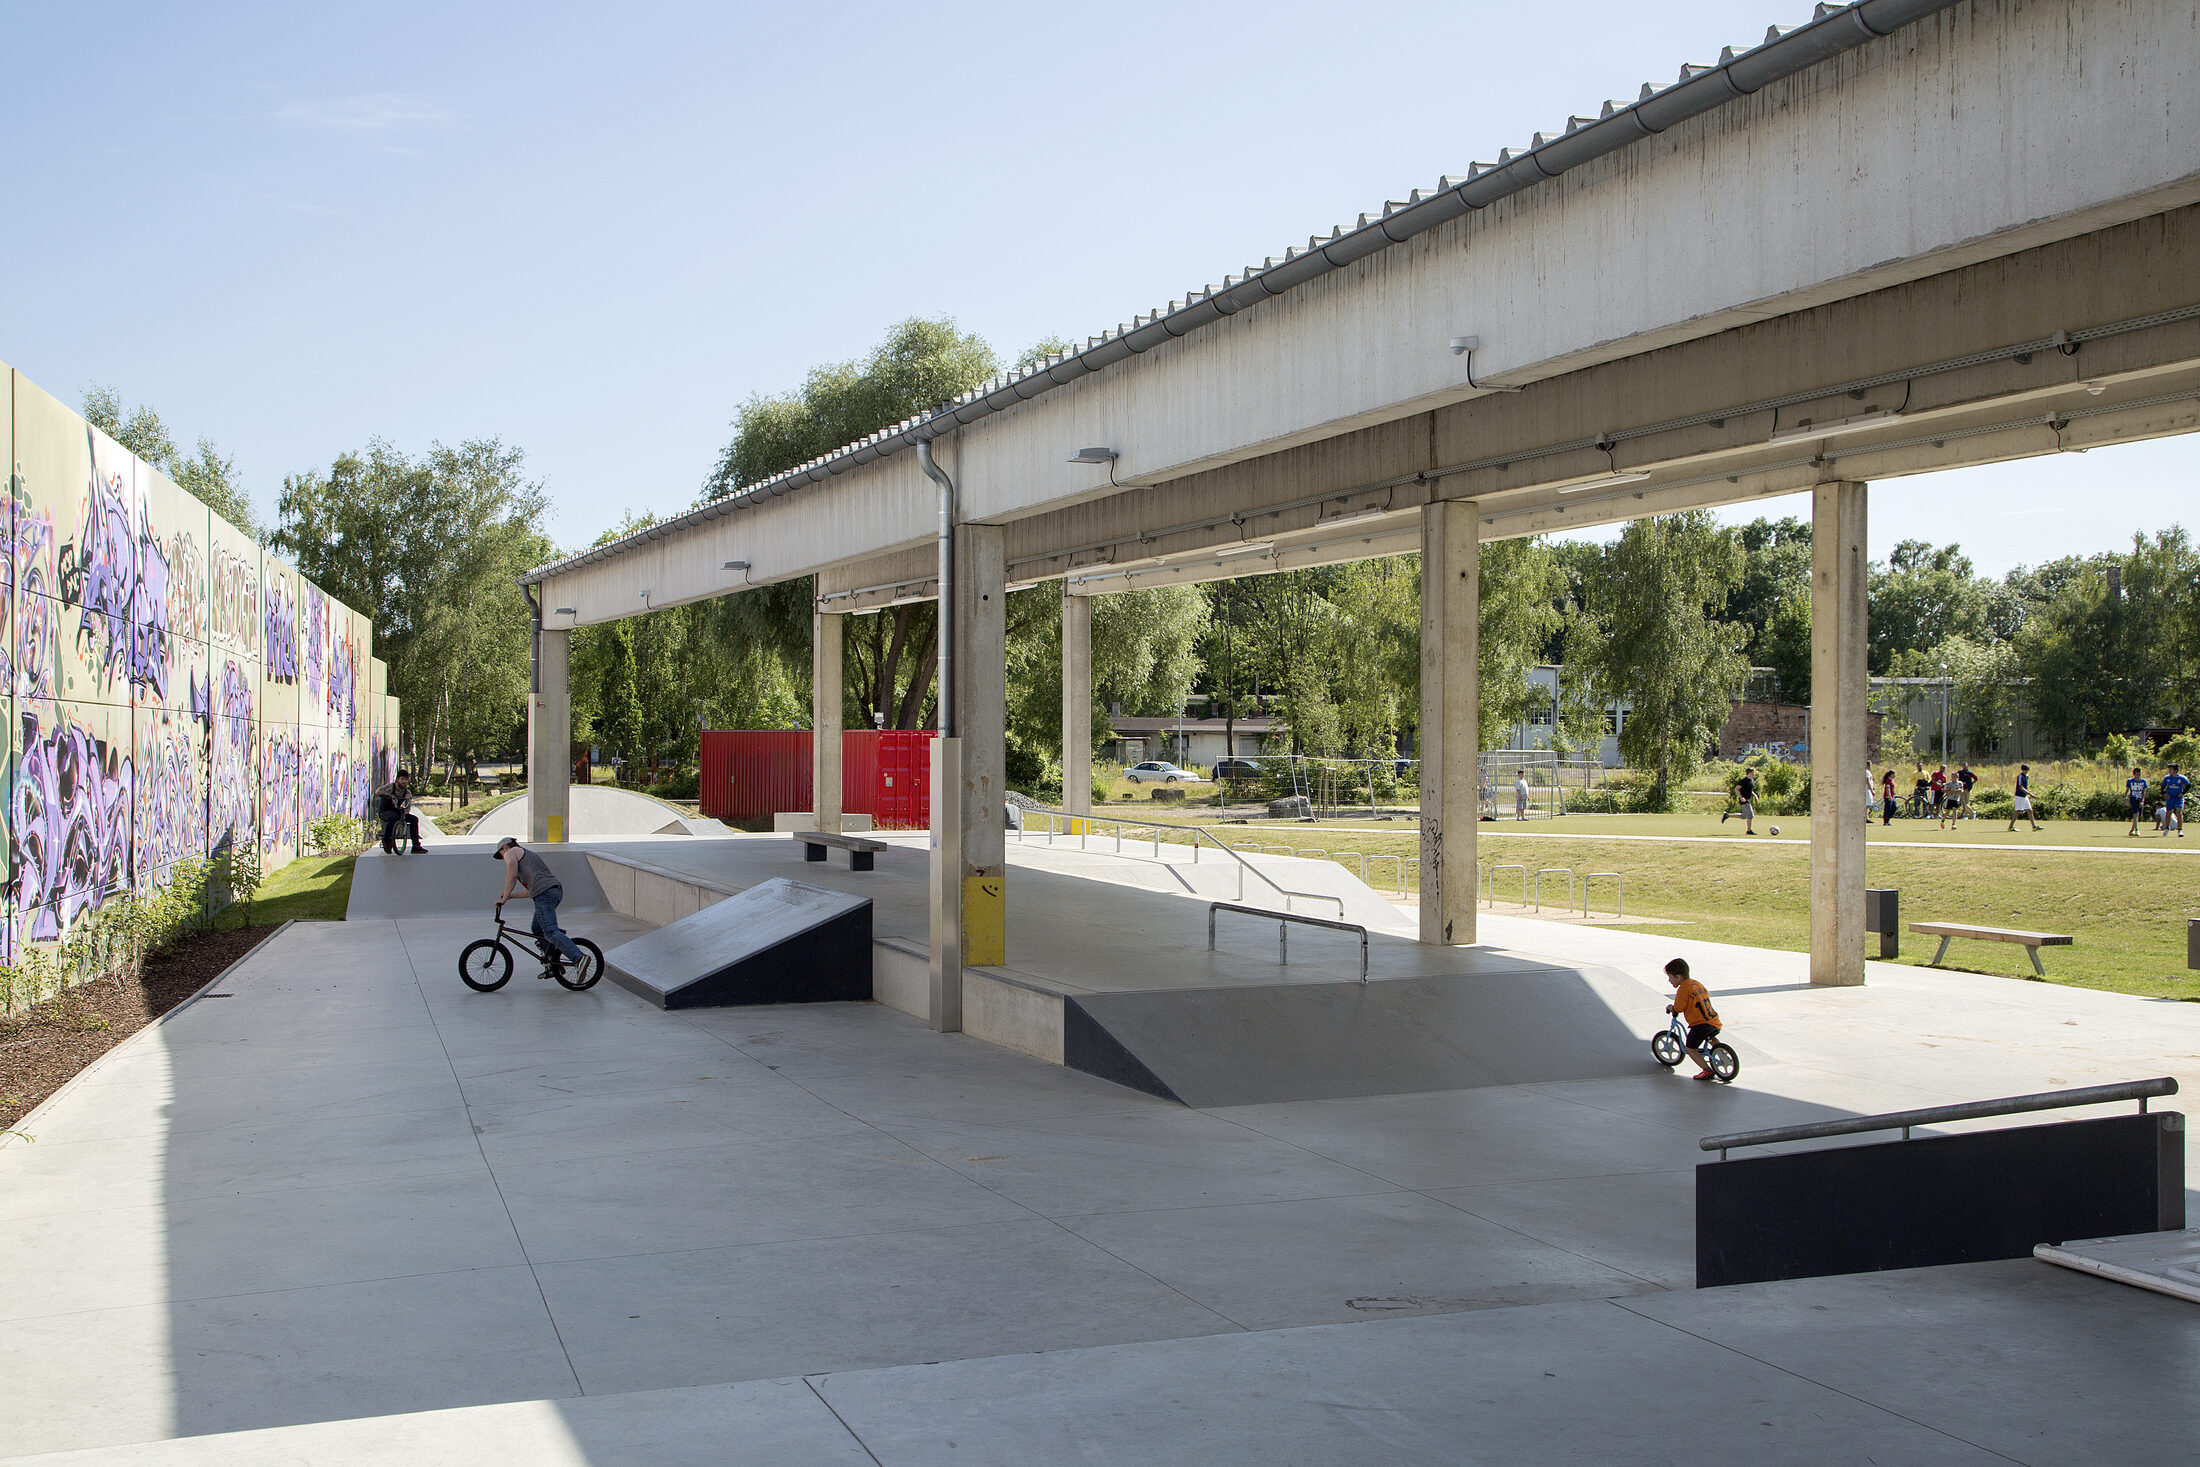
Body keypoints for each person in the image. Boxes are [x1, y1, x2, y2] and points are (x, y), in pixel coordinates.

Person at [493, 836, 585, 973]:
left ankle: (578, 958)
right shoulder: (526, 857)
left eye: (501, 854)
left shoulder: (511, 852)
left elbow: (511, 875)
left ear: (504, 847)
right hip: (551, 891)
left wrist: (504, 898)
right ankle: (555, 964)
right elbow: (530, 892)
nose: (503, 858)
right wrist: (510, 896)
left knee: (549, 930)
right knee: (537, 929)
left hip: (545, 893)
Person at [1664, 957, 1724, 1082]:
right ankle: (1722, 1054)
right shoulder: (1697, 984)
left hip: (1700, 1024)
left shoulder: (1683, 989)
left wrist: (1671, 1007)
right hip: (1714, 1021)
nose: (1669, 980)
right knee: (1711, 1038)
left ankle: (1707, 1070)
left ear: (1678, 977)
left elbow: (1679, 1008)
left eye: (1670, 977)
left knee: (1690, 1049)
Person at [376, 770, 424, 854]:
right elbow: (377, 791)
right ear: (397, 779)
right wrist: (388, 795)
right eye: (402, 779)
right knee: (393, 817)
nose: (404, 782)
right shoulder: (390, 787)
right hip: (385, 812)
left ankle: (416, 846)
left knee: (414, 819)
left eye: (406, 779)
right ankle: (386, 840)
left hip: (397, 812)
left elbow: (407, 807)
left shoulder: (407, 793)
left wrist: (404, 814)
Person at [1722, 770, 1757, 834]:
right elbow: (1736, 789)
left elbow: (1749, 790)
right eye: (1753, 772)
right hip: (1744, 800)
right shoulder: (1744, 781)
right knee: (1750, 815)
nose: (1754, 774)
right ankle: (1749, 831)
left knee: (1744, 816)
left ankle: (1727, 815)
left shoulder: (1751, 781)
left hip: (1747, 799)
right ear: (1749, 773)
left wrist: (1755, 795)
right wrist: (1741, 797)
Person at [2009, 763, 2041, 832]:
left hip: (2024, 796)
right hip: (2019, 796)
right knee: (2018, 811)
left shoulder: (2026, 776)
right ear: (2022, 770)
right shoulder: (2020, 776)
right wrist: (2031, 794)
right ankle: (2010, 827)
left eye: (2027, 770)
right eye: (2025, 770)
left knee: (2029, 810)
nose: (2026, 771)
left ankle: (2034, 826)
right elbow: (2021, 788)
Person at [2163, 763, 2190, 837]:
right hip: (2170, 798)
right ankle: (2166, 828)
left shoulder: (2181, 778)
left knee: (2179, 812)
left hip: (2178, 798)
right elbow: (2162, 787)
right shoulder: (2167, 778)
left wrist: (2182, 793)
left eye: (2171, 769)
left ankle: (2180, 830)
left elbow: (2188, 785)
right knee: (2168, 813)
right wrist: (2165, 793)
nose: (2169, 770)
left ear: (2175, 770)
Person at [2126, 766, 2150, 837]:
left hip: (2140, 798)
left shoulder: (2143, 781)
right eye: (2137, 774)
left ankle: (2132, 830)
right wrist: (2125, 798)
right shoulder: (2130, 781)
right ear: (2134, 774)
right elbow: (2127, 790)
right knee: (2135, 813)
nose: (2138, 776)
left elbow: (2144, 792)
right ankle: (2136, 829)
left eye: (2139, 774)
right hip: (2133, 798)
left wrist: (2142, 800)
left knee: (2138, 815)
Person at [1930, 764, 1950, 828]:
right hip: (1934, 790)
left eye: (1943, 768)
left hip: (1940, 790)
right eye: (1941, 768)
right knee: (1933, 802)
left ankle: (1937, 814)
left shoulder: (1944, 776)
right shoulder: (1935, 773)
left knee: (1938, 803)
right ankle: (1931, 814)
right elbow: (1933, 780)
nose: (1942, 769)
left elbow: (1944, 783)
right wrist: (1937, 784)